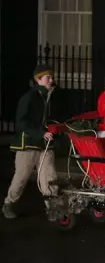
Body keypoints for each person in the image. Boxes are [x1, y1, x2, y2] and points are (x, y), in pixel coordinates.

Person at [3, 65, 58, 219]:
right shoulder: (29, 97)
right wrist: (40, 133)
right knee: (21, 176)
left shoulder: (51, 96)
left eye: (51, 77)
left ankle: (52, 207)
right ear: (38, 79)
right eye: (48, 77)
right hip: (28, 143)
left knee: (49, 175)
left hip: (45, 143)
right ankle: (9, 203)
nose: (52, 80)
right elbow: (21, 123)